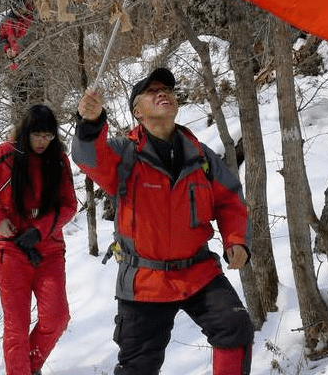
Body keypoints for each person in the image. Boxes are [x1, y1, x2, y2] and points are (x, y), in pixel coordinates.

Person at [72, 68, 255, 375]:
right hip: (145, 280)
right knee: (137, 368)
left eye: (167, 90)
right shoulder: (124, 153)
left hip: (198, 272)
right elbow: (88, 157)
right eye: (152, 91)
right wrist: (90, 124)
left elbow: (229, 200)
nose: (163, 94)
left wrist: (236, 240)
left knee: (235, 328)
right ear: (137, 112)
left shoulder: (201, 155)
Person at [0, 104, 77, 375]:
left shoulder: (59, 161)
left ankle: (28, 366)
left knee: (57, 317)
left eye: (48, 135)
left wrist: (39, 230)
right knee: (16, 325)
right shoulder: (6, 154)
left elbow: (69, 205)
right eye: (37, 134)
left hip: (48, 249)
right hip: (11, 250)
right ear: (26, 131)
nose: (42, 141)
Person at [0, 0, 35, 71]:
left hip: (34, 61)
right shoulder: (7, 21)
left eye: (21, 6)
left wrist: (18, 48)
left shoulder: (33, 15)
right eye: (17, 8)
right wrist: (7, 49)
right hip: (16, 66)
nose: (20, 10)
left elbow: (35, 34)